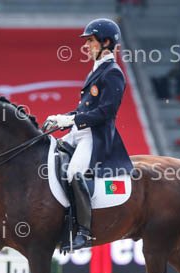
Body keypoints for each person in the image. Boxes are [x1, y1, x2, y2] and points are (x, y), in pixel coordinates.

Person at [44, 18, 133, 252]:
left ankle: (83, 231)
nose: (86, 45)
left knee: (74, 173)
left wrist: (72, 120)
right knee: (48, 156)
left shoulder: (113, 73)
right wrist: (62, 118)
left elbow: (106, 112)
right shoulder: (97, 69)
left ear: (106, 42)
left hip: (94, 136)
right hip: (79, 131)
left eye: (91, 40)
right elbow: (85, 109)